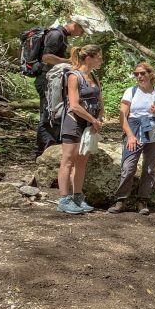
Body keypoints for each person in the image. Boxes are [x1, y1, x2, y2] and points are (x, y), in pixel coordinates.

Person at [108, 62, 155, 215]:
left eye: (142, 73)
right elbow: (122, 115)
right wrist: (130, 135)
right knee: (128, 166)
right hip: (134, 127)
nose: (139, 76)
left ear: (150, 74)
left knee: (149, 168)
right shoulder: (131, 91)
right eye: (136, 74)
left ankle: (143, 200)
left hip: (154, 128)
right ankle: (121, 200)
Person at [56, 44, 104, 215]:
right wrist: (93, 120)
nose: (101, 60)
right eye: (99, 57)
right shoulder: (73, 77)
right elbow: (74, 105)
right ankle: (63, 199)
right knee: (68, 160)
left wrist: (99, 118)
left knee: (82, 161)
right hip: (74, 122)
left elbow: (99, 99)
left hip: (90, 124)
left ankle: (78, 196)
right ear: (89, 58)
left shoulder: (93, 77)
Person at [34, 21, 85, 157]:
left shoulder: (61, 35)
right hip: (46, 81)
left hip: (52, 80)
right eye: (82, 30)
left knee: (54, 112)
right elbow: (47, 57)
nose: (82, 34)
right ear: (75, 25)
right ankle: (44, 152)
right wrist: (69, 62)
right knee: (48, 114)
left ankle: (50, 149)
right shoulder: (56, 34)